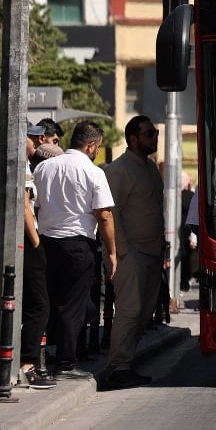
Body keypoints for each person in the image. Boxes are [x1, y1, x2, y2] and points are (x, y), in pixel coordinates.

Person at [33, 120, 116, 379]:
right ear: (91, 146)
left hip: (45, 242)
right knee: (73, 305)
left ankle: (39, 357)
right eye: (98, 148)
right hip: (78, 245)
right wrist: (112, 252)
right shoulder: (93, 172)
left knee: (47, 302)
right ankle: (67, 363)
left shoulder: (44, 167)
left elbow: (34, 205)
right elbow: (104, 215)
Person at [99, 116, 166, 389]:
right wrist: (122, 251)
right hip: (131, 253)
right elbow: (110, 213)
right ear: (133, 138)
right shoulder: (119, 170)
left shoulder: (150, 168)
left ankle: (126, 362)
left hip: (152, 252)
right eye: (149, 134)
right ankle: (119, 368)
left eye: (156, 132)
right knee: (129, 310)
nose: (154, 138)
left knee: (144, 312)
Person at [19, 139, 61, 390]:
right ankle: (28, 365)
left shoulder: (22, 163)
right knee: (39, 304)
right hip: (28, 242)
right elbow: (25, 205)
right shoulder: (19, 163)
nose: (36, 142)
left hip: (27, 240)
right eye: (32, 137)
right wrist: (37, 243)